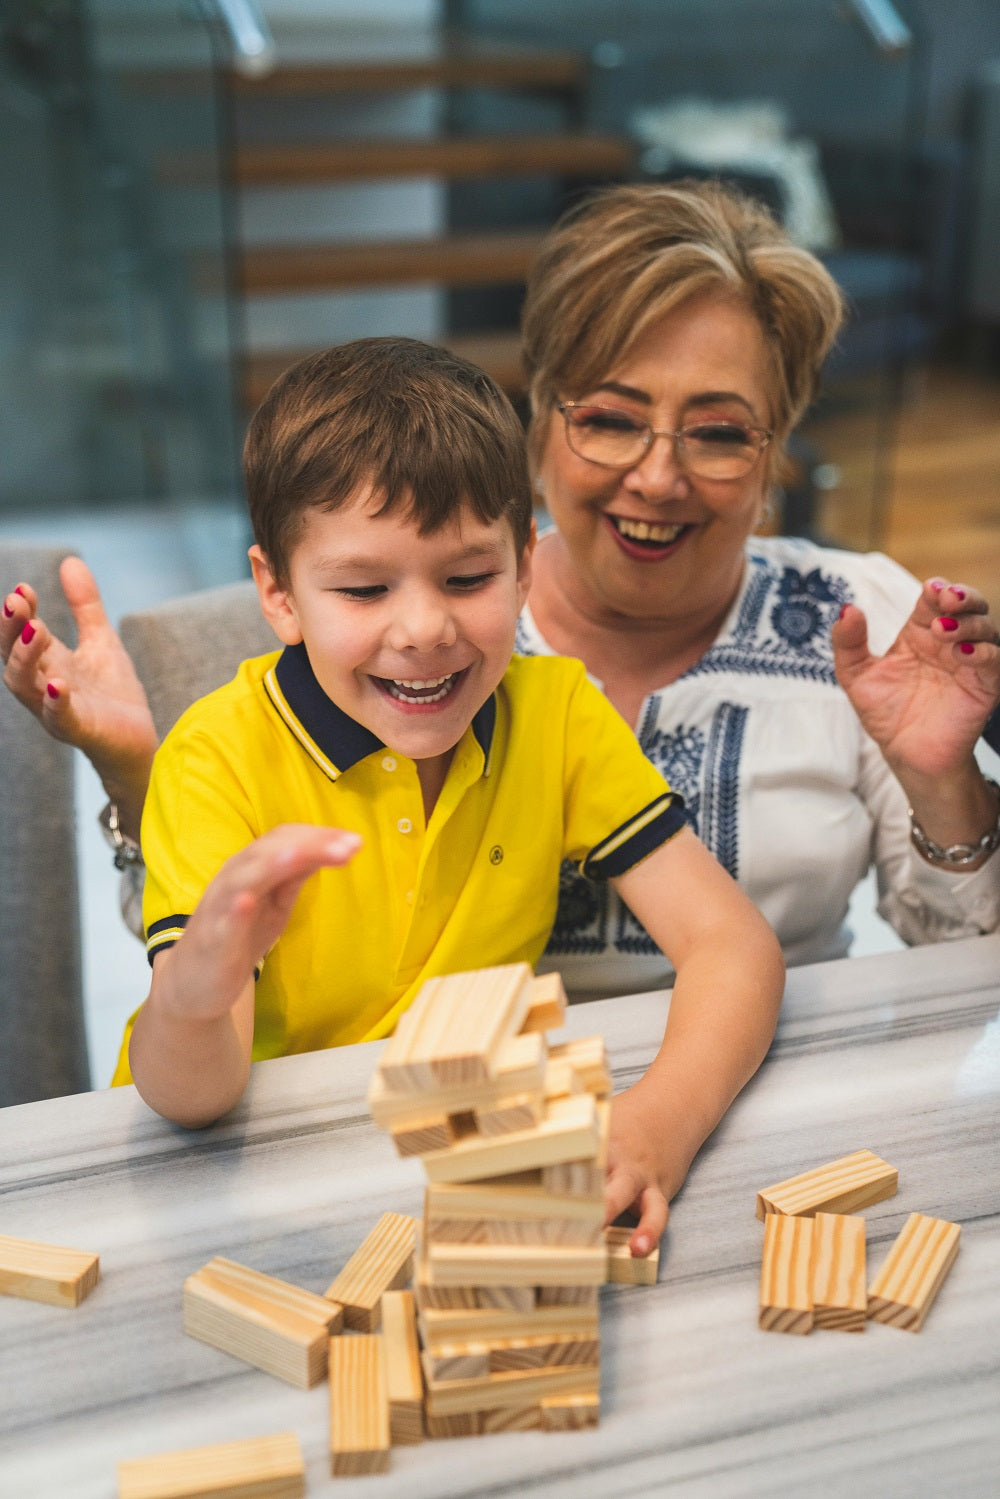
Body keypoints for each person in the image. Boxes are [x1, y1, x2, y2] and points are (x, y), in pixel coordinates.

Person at [4, 178, 1000, 984]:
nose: (657, 475)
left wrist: (945, 784)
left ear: (776, 449)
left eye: (719, 432)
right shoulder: (421, 631)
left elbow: (966, 970)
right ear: (541, 426)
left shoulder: (858, 623)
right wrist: (139, 778)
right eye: (610, 417)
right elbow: (234, 968)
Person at [46, 337, 783, 1256]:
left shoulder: (559, 716)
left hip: (444, 1166)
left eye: (469, 579)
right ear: (277, 592)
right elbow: (190, 1099)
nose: (426, 629)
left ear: (523, 563)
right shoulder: (214, 755)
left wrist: (660, 1124)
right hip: (224, 1193)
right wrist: (196, 990)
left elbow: (733, 944)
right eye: (363, 588)